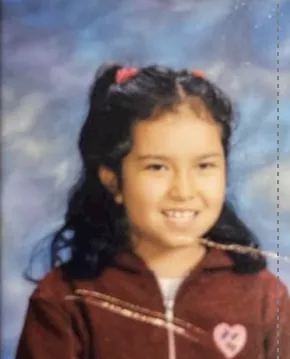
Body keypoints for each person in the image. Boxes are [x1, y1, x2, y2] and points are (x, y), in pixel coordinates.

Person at [15, 64, 290, 359]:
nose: (183, 191)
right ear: (113, 180)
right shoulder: (65, 299)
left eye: (204, 166)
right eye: (157, 167)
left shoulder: (264, 296)